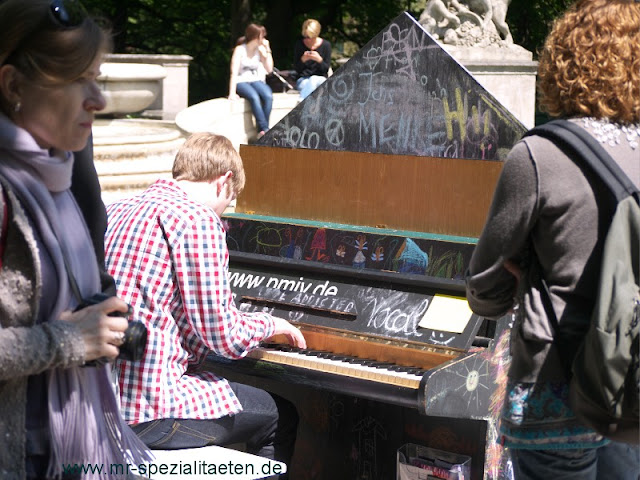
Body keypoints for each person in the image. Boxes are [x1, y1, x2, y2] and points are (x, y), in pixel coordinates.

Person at [464, 1, 640, 479]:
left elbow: (483, 291)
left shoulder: (541, 154)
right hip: (633, 388)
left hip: (557, 389)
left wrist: (526, 272)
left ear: (562, 61)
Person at [0, 1, 150, 479]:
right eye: (77, 79)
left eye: (98, 78)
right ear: (13, 86)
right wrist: (67, 340)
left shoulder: (54, 180)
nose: (99, 100)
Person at [104, 132, 307, 477]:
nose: (224, 210)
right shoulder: (197, 220)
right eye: (231, 201)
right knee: (280, 415)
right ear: (224, 181)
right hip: (148, 411)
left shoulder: (117, 209)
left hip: (102, 404)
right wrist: (272, 324)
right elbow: (223, 336)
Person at [229, 23, 274, 139]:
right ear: (255, 37)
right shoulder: (240, 50)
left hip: (255, 80)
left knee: (268, 95)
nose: (264, 39)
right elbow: (234, 72)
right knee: (254, 97)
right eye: (262, 36)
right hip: (241, 81)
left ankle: (262, 130)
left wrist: (267, 51)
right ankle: (265, 129)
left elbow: (269, 69)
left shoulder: (260, 50)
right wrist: (232, 93)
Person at [292, 19, 332, 100]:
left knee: (314, 79)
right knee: (309, 84)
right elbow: (297, 70)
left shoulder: (326, 45)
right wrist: (303, 60)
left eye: (309, 37)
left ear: (316, 34)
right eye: (305, 36)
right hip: (303, 79)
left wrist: (319, 60)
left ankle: (301, 101)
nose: (307, 39)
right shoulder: (299, 44)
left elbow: (325, 69)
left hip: (320, 79)